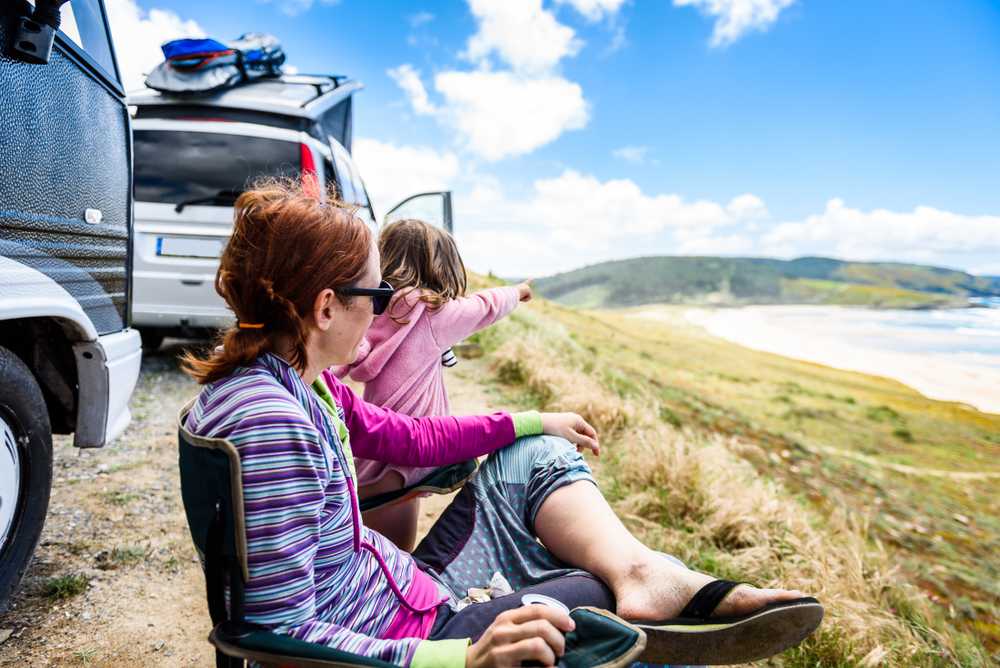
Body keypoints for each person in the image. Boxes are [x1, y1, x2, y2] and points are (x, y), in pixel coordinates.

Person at [180, 180, 821, 668]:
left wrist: (532, 419)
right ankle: (640, 588)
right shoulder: (271, 422)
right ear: (325, 307)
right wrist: (466, 656)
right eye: (375, 298)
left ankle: (648, 575)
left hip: (397, 593)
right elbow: (275, 634)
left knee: (536, 453)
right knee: (587, 605)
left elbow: (412, 439)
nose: (381, 314)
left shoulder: (297, 383)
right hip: (399, 639)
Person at [333, 218, 532, 550]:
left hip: (382, 442)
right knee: (394, 550)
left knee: (371, 507)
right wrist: (517, 292)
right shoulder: (431, 313)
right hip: (414, 448)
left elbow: (336, 360)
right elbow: (485, 307)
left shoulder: (371, 308)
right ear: (440, 266)